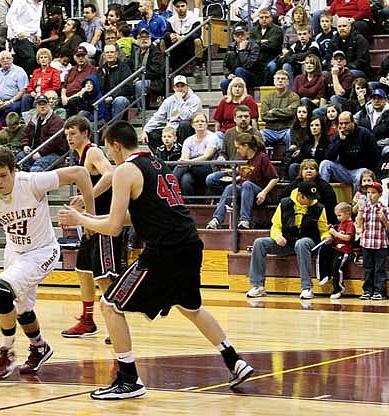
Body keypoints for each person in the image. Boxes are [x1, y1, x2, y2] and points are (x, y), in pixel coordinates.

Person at [58, 120, 254, 398]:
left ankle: (129, 380)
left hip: (164, 251)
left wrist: (79, 219)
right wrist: (89, 218)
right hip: (189, 245)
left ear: (116, 146)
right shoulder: (160, 164)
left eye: (111, 151)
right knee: (190, 307)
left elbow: (114, 228)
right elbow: (133, 217)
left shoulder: (126, 169)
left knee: (110, 304)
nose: (112, 158)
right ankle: (235, 360)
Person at [0, 146, 96, 380]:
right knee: (22, 308)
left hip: (42, 251)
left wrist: (89, 217)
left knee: (2, 294)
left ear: (13, 171)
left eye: (3, 175)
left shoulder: (32, 182)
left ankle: (7, 353)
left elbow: (80, 173)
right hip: (15, 252)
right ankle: (39, 347)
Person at [62, 116, 127, 338]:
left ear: (85, 134)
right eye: (67, 134)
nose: (69, 138)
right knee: (83, 270)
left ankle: (116, 322)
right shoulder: (79, 157)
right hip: (91, 220)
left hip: (104, 222)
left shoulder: (92, 151)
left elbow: (110, 174)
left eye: (73, 133)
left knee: (104, 275)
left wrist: (85, 197)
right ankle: (88, 320)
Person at [247, 181, 331, 300]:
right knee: (259, 243)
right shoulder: (284, 204)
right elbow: (275, 226)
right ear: (300, 195)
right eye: (309, 198)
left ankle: (307, 288)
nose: (312, 200)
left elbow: (323, 230)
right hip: (287, 242)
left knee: (301, 243)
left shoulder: (318, 208)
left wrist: (326, 237)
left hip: (308, 243)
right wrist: (278, 237)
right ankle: (258, 286)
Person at [206, 132, 278, 230]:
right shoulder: (242, 158)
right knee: (230, 187)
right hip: (245, 192)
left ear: (246, 146)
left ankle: (245, 219)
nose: (237, 150)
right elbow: (244, 175)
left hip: (260, 194)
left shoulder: (262, 157)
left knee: (247, 184)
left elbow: (275, 178)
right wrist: (233, 177)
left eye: (238, 147)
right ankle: (217, 219)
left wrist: (264, 192)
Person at [320, 111, 379, 191]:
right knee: (325, 164)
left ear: (353, 122)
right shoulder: (338, 135)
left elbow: (375, 158)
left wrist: (369, 173)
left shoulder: (365, 134)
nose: (343, 126)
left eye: (346, 123)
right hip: (343, 170)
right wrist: (340, 141)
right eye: (341, 124)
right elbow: (329, 156)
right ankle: (323, 195)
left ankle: (356, 201)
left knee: (362, 174)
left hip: (360, 170)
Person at [141, 75, 200, 153]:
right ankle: (163, 156)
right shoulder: (168, 101)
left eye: (182, 86)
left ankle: (182, 153)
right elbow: (158, 117)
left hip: (187, 130)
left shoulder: (195, 100)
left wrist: (180, 101)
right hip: (171, 129)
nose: (180, 89)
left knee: (184, 125)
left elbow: (186, 117)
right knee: (152, 134)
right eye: (177, 86)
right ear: (174, 88)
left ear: (187, 87)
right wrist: (145, 130)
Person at [355, 181, 389, 300]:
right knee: (367, 268)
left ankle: (379, 291)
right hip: (366, 242)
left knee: (379, 269)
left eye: (373, 193)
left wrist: (383, 219)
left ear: (380, 194)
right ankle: (367, 290)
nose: (370, 195)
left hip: (380, 243)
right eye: (368, 193)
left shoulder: (384, 208)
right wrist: (360, 211)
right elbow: (359, 223)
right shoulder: (364, 208)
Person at [172, 111, 219, 196]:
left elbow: (207, 156)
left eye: (202, 121)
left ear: (206, 124)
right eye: (197, 122)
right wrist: (187, 162)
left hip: (208, 167)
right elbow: (184, 158)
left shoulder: (213, 137)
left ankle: (169, 184)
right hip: (191, 168)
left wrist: (189, 162)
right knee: (185, 180)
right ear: (192, 125)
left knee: (182, 167)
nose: (200, 123)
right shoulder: (188, 140)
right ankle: (189, 204)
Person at [17, 95, 68, 172]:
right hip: (34, 151)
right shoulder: (33, 120)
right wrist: (25, 145)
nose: (42, 107)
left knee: (36, 168)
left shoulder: (56, 121)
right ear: (36, 107)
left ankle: (35, 180)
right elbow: (25, 134)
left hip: (53, 153)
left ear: (49, 105)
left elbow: (54, 141)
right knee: (20, 156)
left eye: (44, 104)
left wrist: (41, 153)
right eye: (39, 105)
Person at [6, 0, 47, 75]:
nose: (41, 0)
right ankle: (23, 78)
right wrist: (18, 31)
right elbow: (11, 17)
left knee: (37, 60)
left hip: (31, 35)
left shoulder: (40, 2)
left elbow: (37, 19)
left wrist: (38, 34)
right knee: (29, 58)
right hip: (20, 34)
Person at [283, 159, 338, 225]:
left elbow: (330, 206)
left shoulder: (325, 187)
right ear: (301, 172)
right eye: (305, 169)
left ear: (317, 172)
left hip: (318, 219)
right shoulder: (294, 184)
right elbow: (283, 199)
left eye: (312, 169)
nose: (308, 171)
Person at [260, 70, 300, 147]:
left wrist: (273, 111)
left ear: (288, 82)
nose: (280, 81)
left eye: (283, 79)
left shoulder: (294, 97)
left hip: (287, 129)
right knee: (260, 135)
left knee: (291, 134)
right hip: (270, 130)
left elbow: (291, 113)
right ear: (274, 81)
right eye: (278, 78)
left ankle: (290, 157)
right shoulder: (268, 98)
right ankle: (263, 158)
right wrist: (284, 114)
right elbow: (264, 116)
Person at [325, 202, 357, 299]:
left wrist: (335, 233)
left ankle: (338, 289)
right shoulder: (341, 224)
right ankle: (328, 279)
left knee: (336, 269)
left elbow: (347, 237)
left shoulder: (350, 224)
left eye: (339, 215)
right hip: (336, 249)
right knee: (331, 265)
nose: (338, 218)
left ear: (347, 214)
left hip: (344, 250)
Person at [164, 0, 202, 75]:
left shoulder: (194, 18)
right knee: (162, 42)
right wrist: (171, 35)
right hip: (176, 44)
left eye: (182, 6)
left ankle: (198, 65)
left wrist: (183, 37)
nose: (180, 8)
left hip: (189, 44)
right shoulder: (171, 20)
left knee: (197, 41)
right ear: (175, 8)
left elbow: (197, 33)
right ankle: (164, 65)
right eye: (178, 6)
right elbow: (166, 33)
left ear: (186, 6)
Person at [0, 51, 29, 118]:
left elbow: (23, 91)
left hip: (12, 101)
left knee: (11, 108)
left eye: (8, 58)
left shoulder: (19, 71)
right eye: (3, 59)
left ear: (12, 59)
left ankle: (1, 126)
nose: (5, 60)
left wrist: (10, 102)